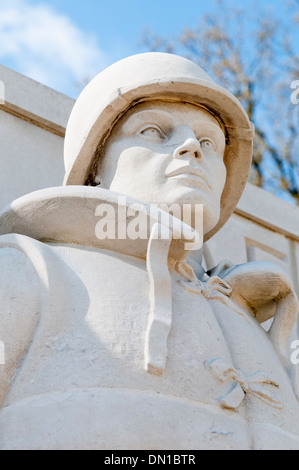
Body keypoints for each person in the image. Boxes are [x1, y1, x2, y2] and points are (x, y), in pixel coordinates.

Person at [0, 53, 298, 450]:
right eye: (154, 131)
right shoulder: (31, 270)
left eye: (209, 141)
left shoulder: (262, 324)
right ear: (95, 170)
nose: (192, 146)